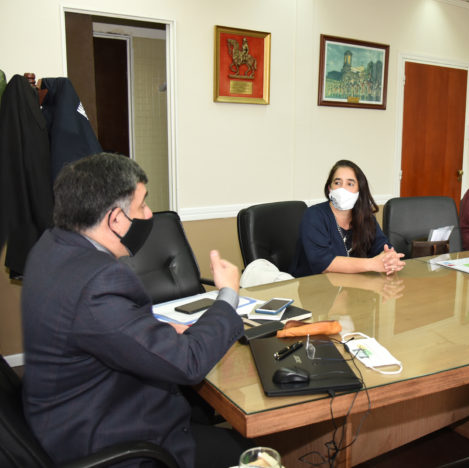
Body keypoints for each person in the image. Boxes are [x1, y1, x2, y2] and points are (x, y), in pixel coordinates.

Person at [22, 153, 251, 468]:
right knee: (256, 452)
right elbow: (188, 363)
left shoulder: (50, 247)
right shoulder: (98, 282)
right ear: (115, 219)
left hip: (63, 417)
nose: (148, 214)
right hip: (117, 441)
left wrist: (156, 331)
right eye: (142, 205)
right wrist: (227, 295)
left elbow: (100, 327)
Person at [289, 159, 405, 277]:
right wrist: (372, 264)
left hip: (354, 283)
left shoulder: (366, 216)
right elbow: (323, 264)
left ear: (359, 190)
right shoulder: (314, 215)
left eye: (350, 184)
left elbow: (382, 246)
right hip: (314, 283)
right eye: (337, 183)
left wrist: (389, 258)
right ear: (330, 188)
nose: (342, 189)